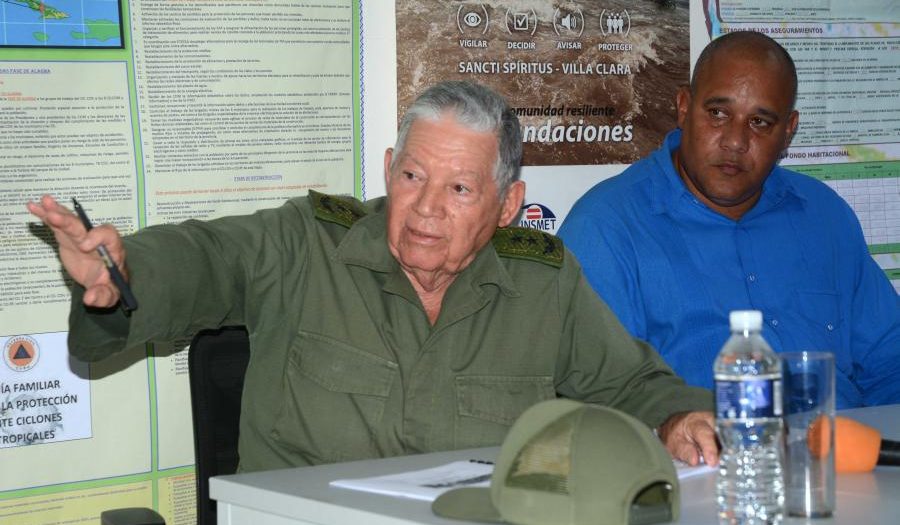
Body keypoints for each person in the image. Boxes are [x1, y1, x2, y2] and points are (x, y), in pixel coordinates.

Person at [28, 81, 717, 472]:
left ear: (508, 204)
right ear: (389, 166)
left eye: (459, 190)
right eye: (413, 175)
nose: (425, 208)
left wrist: (679, 416)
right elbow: (209, 257)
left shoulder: (543, 282)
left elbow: (631, 381)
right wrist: (122, 273)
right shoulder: (305, 244)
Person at [559, 32, 900, 409]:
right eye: (718, 114)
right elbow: (598, 396)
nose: (735, 141)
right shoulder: (607, 227)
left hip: (845, 453)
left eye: (759, 122)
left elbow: (890, 363)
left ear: (788, 131)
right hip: (700, 461)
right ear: (684, 107)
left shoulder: (824, 215)